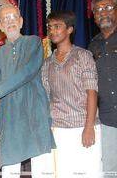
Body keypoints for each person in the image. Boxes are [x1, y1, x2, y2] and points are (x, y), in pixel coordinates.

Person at [0, 4, 56, 178]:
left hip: (34, 113)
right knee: (10, 170)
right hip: (11, 117)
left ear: (21, 21)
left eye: (14, 17)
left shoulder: (33, 42)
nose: (10, 22)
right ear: (0, 26)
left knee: (43, 169)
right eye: (5, 19)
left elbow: (27, 71)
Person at [42, 11, 102, 178]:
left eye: (57, 26)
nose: (52, 31)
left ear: (69, 29)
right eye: (49, 27)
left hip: (83, 126)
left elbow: (92, 92)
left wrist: (88, 128)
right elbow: (47, 98)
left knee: (89, 173)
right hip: (58, 129)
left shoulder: (83, 56)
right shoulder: (47, 63)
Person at [89, 0, 117, 178]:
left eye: (108, 8)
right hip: (107, 121)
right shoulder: (92, 46)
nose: (103, 13)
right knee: (110, 171)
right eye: (98, 10)